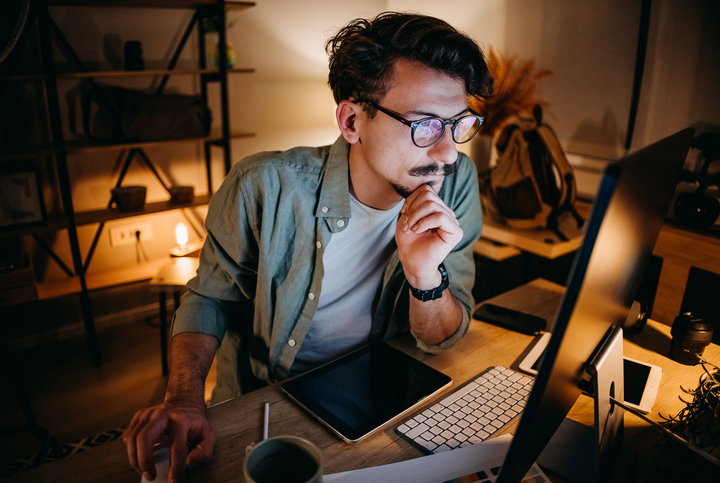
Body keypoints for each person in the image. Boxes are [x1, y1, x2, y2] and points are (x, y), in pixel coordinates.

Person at [124, 11, 492, 482]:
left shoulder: (456, 184)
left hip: (386, 392)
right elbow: (209, 299)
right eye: (424, 125)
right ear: (352, 119)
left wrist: (425, 279)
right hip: (270, 403)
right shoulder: (263, 186)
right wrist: (182, 398)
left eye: (458, 123)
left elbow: (443, 337)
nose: (447, 153)